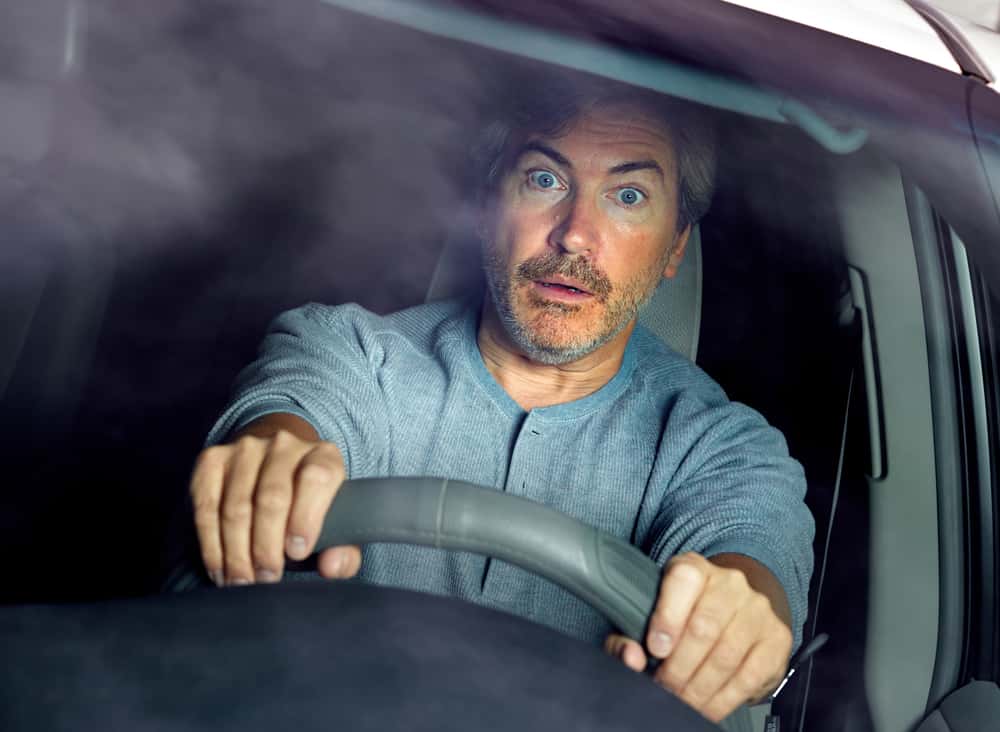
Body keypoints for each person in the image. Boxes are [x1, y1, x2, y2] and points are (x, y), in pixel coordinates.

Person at [188, 76, 815, 725]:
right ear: (488, 206)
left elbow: (750, 546)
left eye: (628, 196)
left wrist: (738, 617)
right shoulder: (351, 350)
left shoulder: (720, 444)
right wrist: (270, 460)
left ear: (674, 246)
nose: (576, 235)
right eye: (545, 180)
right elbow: (292, 407)